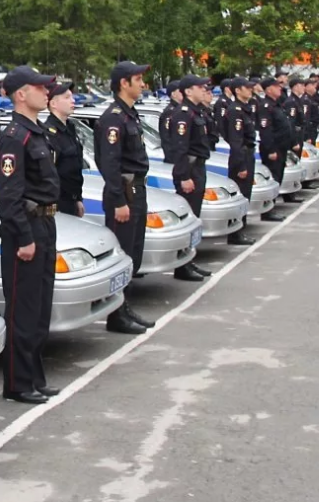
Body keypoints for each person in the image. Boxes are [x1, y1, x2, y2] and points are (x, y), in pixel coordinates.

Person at [0, 66, 62, 405]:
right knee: (23, 309)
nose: (46, 92)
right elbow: (8, 195)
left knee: (39, 308)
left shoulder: (36, 131)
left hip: (45, 223)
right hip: (27, 228)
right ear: (21, 94)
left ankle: (35, 376)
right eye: (40, 88)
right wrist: (23, 238)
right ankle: (18, 383)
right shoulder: (13, 136)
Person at [94, 60, 155, 335]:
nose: (143, 84)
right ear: (124, 83)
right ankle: (116, 315)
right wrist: (119, 200)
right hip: (125, 192)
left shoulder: (130, 115)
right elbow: (109, 163)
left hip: (136, 189)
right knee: (123, 254)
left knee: (134, 254)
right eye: (138, 79)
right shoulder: (113, 118)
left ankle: (124, 307)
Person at [166, 74, 214, 280]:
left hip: (198, 168)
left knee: (194, 219)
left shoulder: (196, 112)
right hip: (190, 170)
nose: (204, 89)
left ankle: (189, 260)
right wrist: (184, 176)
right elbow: (180, 148)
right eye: (199, 87)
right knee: (189, 218)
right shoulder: (183, 115)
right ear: (188, 91)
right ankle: (182, 266)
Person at [222, 78, 257, 246]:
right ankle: (236, 233)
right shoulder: (235, 110)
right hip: (240, 156)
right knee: (241, 194)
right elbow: (235, 140)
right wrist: (241, 165)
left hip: (247, 153)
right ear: (237, 90)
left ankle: (241, 228)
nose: (250, 90)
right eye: (246, 88)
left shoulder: (245, 109)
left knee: (246, 194)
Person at [44, 81, 85, 217]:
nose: (72, 100)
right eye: (67, 97)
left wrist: (78, 198)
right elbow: (50, 175)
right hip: (58, 205)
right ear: (53, 104)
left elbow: (74, 170)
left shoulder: (70, 128)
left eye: (72, 97)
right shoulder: (49, 133)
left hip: (71, 202)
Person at [257, 77, 296, 211]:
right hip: (273, 149)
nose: (280, 88)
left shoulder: (276, 104)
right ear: (269, 89)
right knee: (273, 178)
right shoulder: (265, 106)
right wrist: (271, 150)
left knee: (278, 176)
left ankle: (272, 205)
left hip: (282, 147)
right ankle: (269, 209)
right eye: (276, 86)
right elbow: (266, 131)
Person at [158, 80, 182, 163]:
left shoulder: (180, 109)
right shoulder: (170, 111)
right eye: (180, 90)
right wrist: (171, 157)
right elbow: (166, 136)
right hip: (173, 159)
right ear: (173, 94)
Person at [284, 77, 306, 158]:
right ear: (296, 86)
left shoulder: (298, 100)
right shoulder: (291, 102)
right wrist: (294, 142)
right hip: (295, 135)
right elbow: (291, 123)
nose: (304, 87)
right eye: (302, 85)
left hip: (299, 134)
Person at [303, 77, 319, 145]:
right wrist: (307, 136)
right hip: (309, 132)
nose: (315, 87)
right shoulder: (305, 100)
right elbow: (306, 119)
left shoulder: (312, 98)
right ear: (306, 87)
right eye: (312, 85)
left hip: (314, 130)